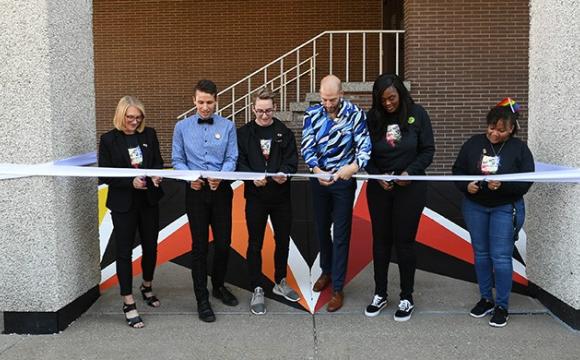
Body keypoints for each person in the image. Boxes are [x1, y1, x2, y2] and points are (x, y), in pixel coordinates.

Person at [452, 98, 534, 328]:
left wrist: (504, 186)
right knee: (481, 254)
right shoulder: (473, 143)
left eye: (501, 130)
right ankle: (486, 299)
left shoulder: (519, 149)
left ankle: (502, 306)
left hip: (504, 208)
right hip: (475, 205)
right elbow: (457, 170)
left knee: (500, 256)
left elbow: (526, 181)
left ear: (512, 129)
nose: (494, 133)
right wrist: (465, 186)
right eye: (491, 127)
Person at [364, 74, 435, 321]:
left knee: (404, 242)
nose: (388, 104)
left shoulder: (417, 113)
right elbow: (364, 153)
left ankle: (407, 296)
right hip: (379, 188)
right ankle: (380, 293)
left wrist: (410, 172)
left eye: (392, 98)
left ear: (400, 94)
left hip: (410, 188)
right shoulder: (372, 118)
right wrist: (376, 175)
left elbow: (428, 150)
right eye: (382, 100)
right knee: (381, 241)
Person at [301, 75, 371, 312]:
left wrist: (350, 169)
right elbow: (307, 146)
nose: (328, 104)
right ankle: (327, 272)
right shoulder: (312, 114)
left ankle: (338, 287)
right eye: (324, 99)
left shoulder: (356, 114)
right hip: (319, 180)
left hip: (343, 181)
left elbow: (364, 148)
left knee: (340, 234)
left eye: (332, 99)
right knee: (321, 229)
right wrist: (317, 170)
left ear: (341, 94)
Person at [172, 80, 239, 323]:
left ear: (216, 101)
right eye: (201, 102)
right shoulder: (181, 127)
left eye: (209, 102)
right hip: (196, 194)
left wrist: (221, 176)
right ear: (194, 101)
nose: (205, 107)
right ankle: (202, 298)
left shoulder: (228, 126)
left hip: (221, 192)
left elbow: (232, 156)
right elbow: (177, 159)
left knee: (223, 243)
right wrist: (191, 178)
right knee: (199, 246)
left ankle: (218, 286)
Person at [98, 95, 164, 328]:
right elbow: (104, 174)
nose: (134, 122)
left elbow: (158, 161)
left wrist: (157, 175)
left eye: (138, 117)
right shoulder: (108, 140)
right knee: (124, 251)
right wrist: (129, 183)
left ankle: (147, 285)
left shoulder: (149, 134)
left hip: (148, 201)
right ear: (121, 115)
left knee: (150, 246)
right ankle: (128, 301)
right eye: (130, 117)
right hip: (123, 203)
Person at [237, 88, 300, 315]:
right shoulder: (243, 133)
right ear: (253, 109)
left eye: (269, 111)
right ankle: (256, 286)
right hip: (255, 197)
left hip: (281, 197)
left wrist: (284, 172)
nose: (265, 116)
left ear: (275, 109)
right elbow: (238, 162)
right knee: (255, 242)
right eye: (260, 111)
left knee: (282, 239)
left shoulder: (284, 132)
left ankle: (280, 280)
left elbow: (292, 161)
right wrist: (253, 178)